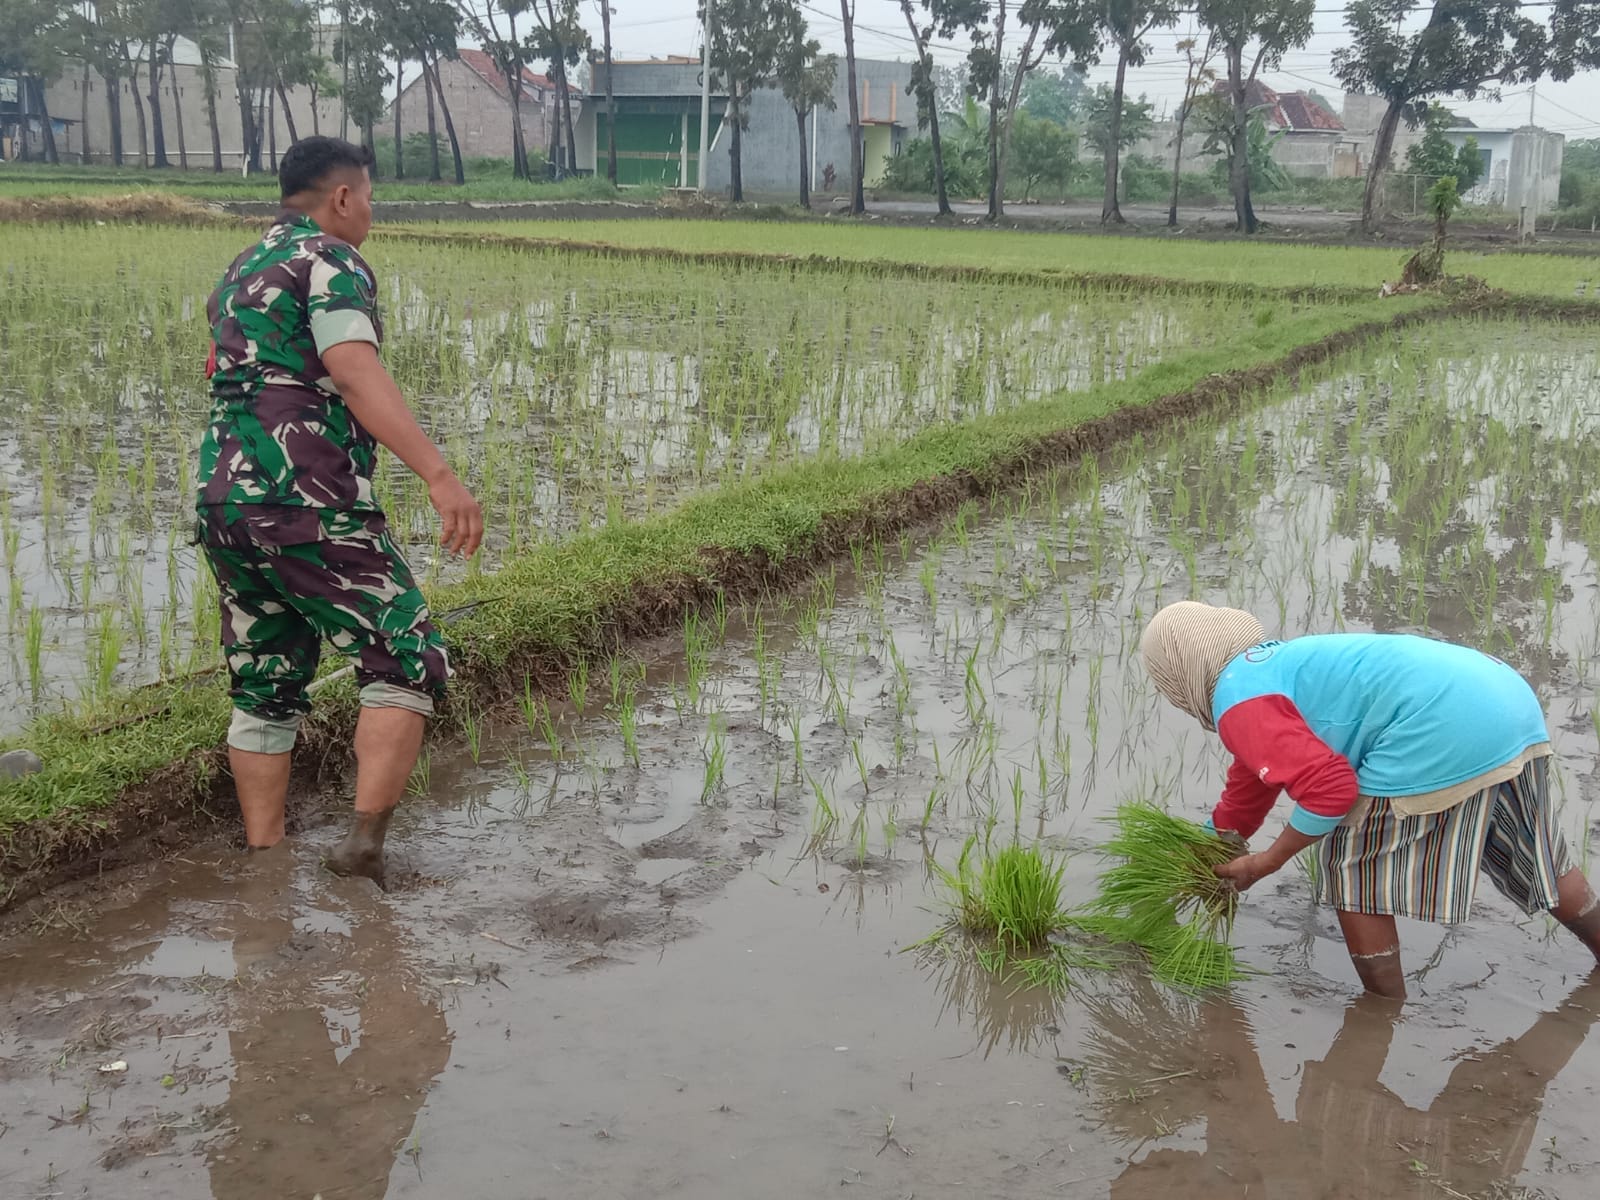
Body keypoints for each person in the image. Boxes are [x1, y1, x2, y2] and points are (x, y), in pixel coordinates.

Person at [196, 136, 482, 885]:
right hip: (308, 497)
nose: (372, 213)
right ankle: (361, 852)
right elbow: (352, 369)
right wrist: (440, 474)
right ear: (344, 197)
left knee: (265, 673)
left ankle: (266, 861)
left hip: (225, 499)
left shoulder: (243, 268)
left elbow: (225, 373)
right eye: (371, 198)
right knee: (406, 654)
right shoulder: (331, 258)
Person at [1139, 600, 1600, 998]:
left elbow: (1331, 790)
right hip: (1505, 700)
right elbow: (1248, 790)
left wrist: (1268, 861)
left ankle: (1384, 1010)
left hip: (1438, 721)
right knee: (1532, 850)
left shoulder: (1237, 700)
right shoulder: (1272, 669)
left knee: (1350, 862)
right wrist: (1204, 852)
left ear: (1178, 671)